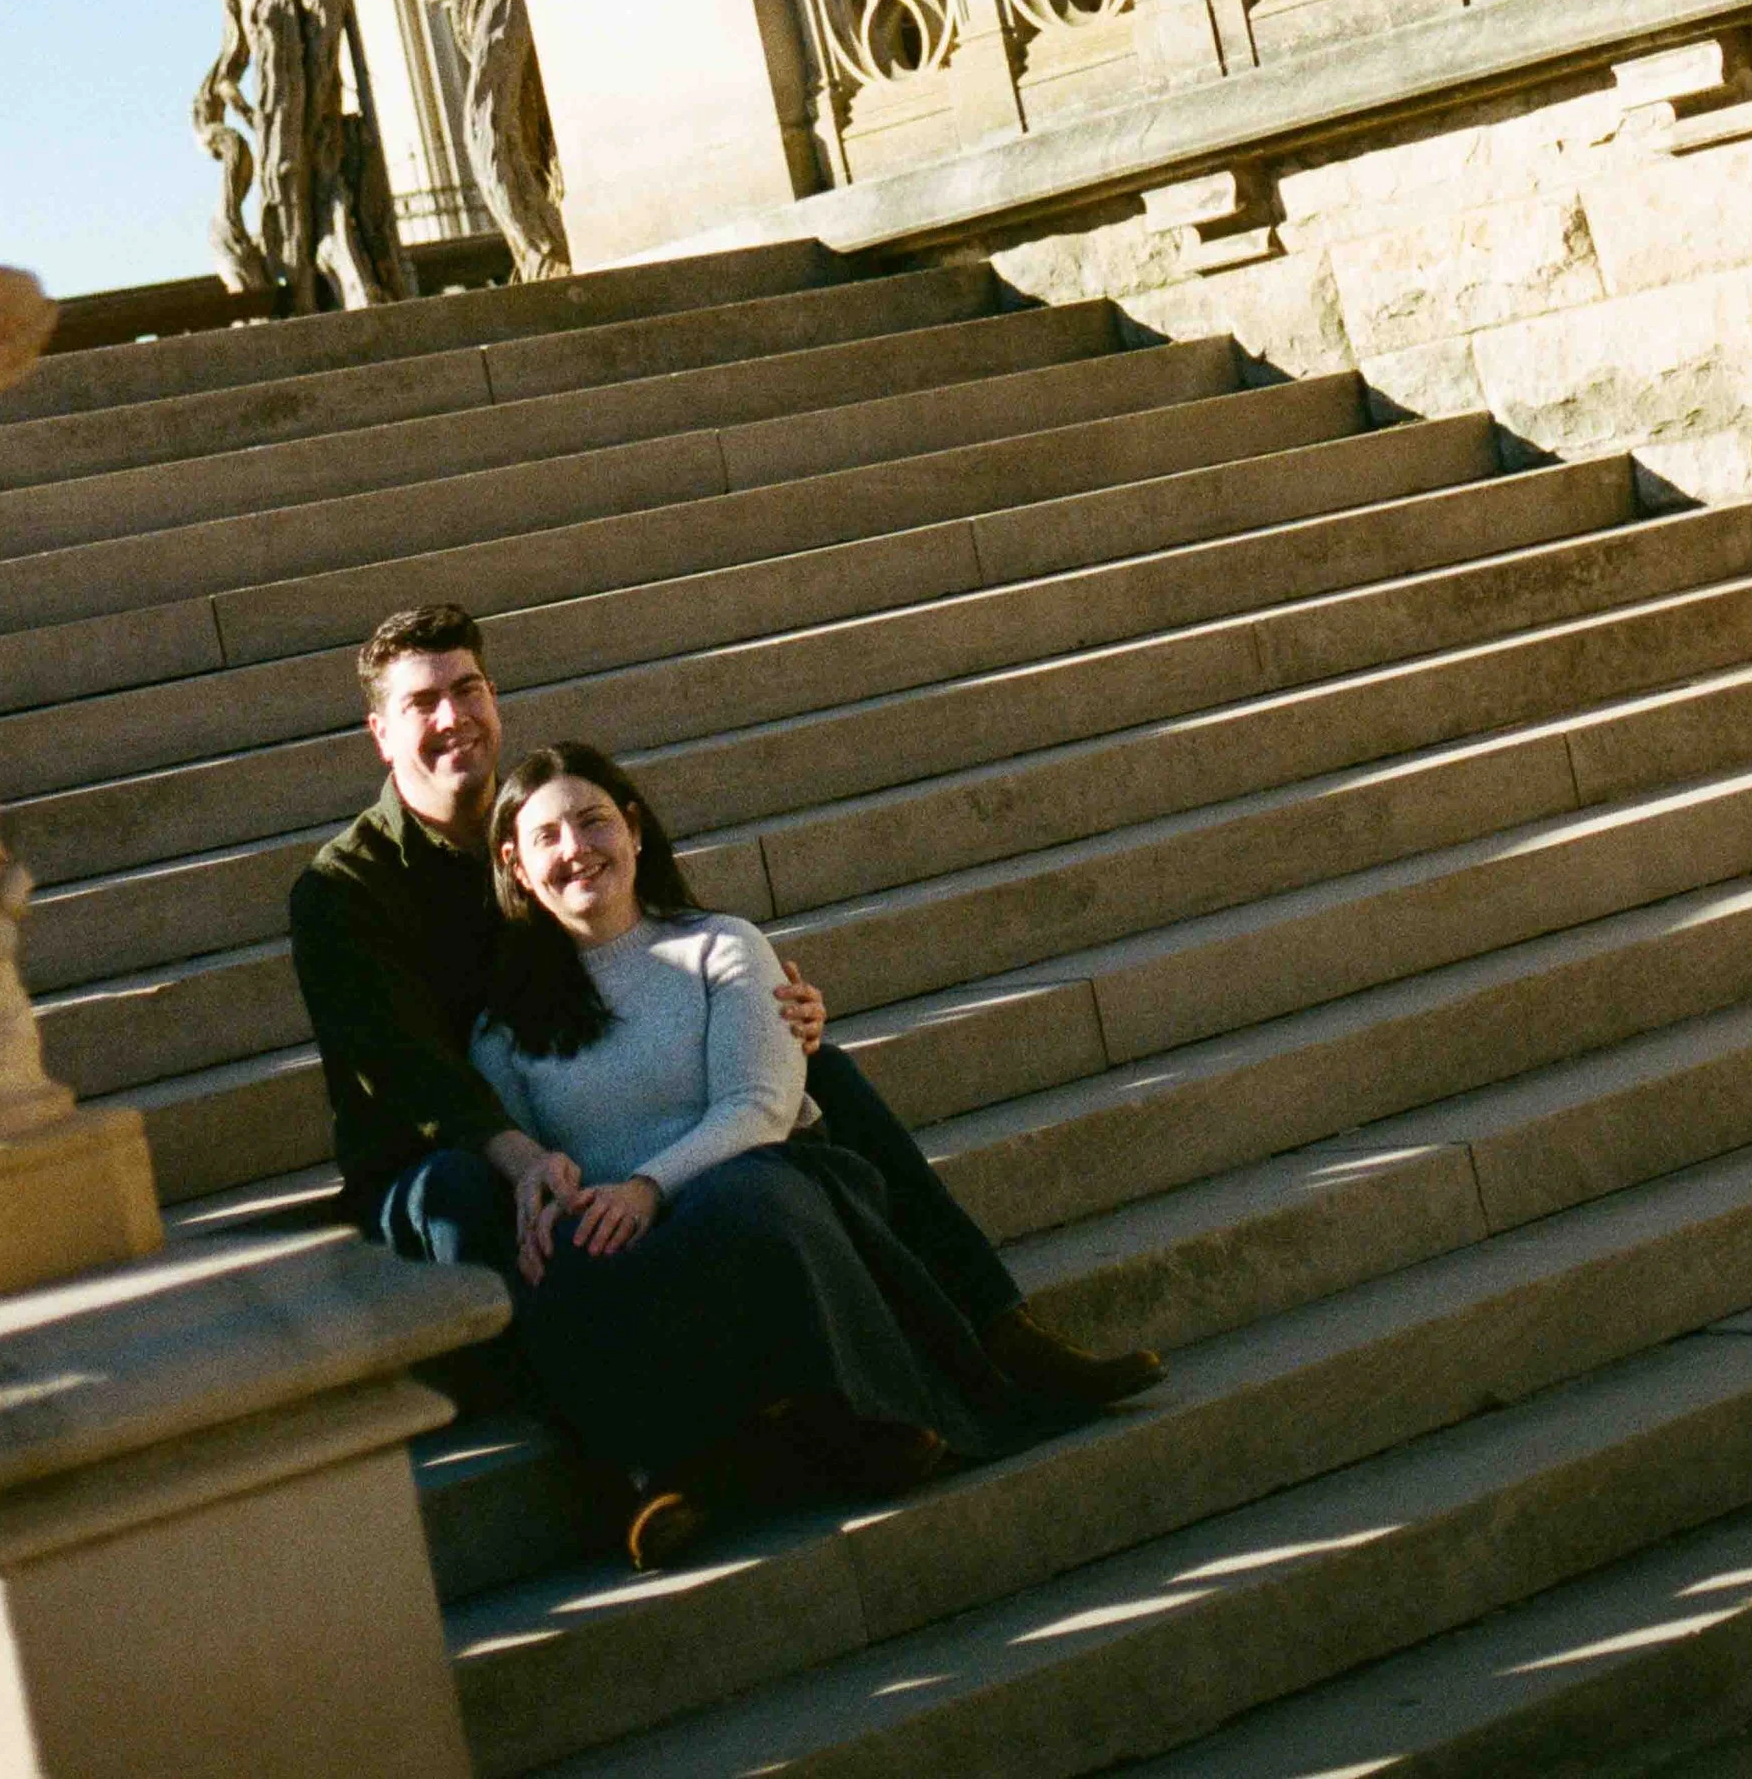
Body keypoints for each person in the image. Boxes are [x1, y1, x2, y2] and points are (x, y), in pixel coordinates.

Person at [287, 603, 1158, 1447]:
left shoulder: (540, 815)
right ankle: (610, 1452)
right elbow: (405, 1069)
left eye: (468, 689)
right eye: (422, 702)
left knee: (811, 1058)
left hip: (583, 1085)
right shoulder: (343, 891)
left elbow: (652, 941)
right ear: (381, 733)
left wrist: (753, 999)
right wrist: (517, 1155)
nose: (453, 717)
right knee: (464, 1189)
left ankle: (997, 1324)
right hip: (438, 1148)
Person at [473, 737, 1073, 1560]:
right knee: (560, 1255)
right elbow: (517, 1148)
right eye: (547, 835)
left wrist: (648, 1186)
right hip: (624, 1228)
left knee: (744, 1196)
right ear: (515, 862)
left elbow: (758, 1104)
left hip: (759, 1182)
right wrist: (555, 1200)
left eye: (593, 820)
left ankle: (873, 1419)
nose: (576, 848)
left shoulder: (721, 945)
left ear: (636, 831)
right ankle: (672, 1473)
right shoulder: (503, 1022)